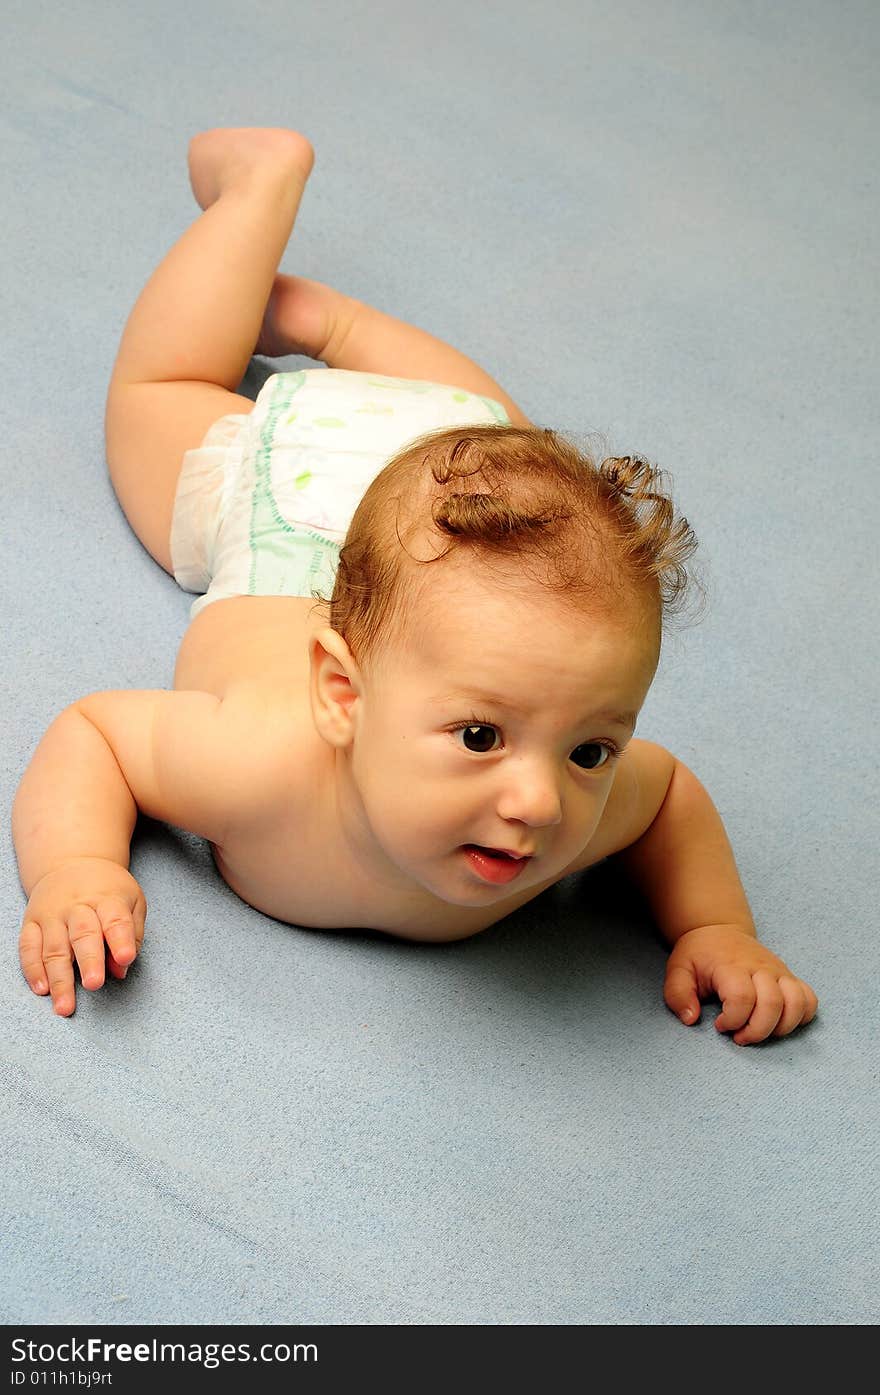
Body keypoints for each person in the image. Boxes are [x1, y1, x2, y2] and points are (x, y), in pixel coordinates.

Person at [12, 127, 818, 1044]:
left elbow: (669, 794)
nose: (541, 803)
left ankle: (332, 326)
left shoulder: (564, 797)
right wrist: (77, 865)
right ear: (341, 692)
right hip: (301, 499)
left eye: (592, 750)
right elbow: (96, 736)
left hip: (462, 477)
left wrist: (714, 925)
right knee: (163, 387)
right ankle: (258, 188)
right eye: (480, 736)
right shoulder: (254, 765)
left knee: (511, 452)